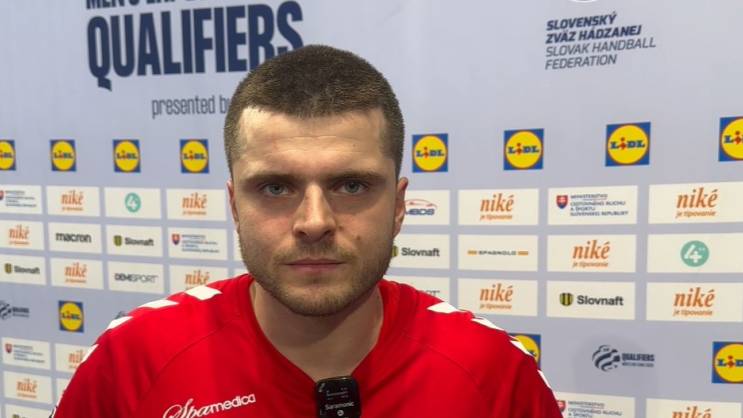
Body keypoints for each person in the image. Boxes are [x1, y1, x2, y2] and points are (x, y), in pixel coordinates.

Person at [52, 45, 562, 418]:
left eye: (351, 185)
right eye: (275, 187)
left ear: (399, 205)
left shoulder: (492, 370)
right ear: (234, 204)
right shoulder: (134, 360)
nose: (314, 222)